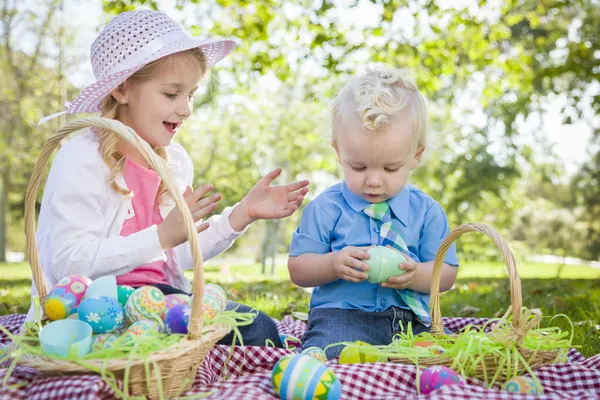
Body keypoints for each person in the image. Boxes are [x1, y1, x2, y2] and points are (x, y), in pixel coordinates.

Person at [26, 10, 309, 348]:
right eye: (172, 94)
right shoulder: (82, 158)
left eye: (191, 94)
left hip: (161, 300)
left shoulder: (172, 162)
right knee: (228, 335)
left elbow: (179, 255)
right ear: (122, 90)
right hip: (94, 308)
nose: (187, 108)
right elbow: (68, 260)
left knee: (258, 326)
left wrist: (241, 214)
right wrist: (159, 236)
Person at [288, 66, 458, 359]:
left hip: (411, 320)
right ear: (339, 152)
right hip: (342, 316)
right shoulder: (326, 208)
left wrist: (416, 274)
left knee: (443, 358)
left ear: (415, 156)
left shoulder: (427, 211)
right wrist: (333, 264)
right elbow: (298, 270)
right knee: (331, 353)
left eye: (391, 168)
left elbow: (446, 274)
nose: (374, 180)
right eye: (359, 166)